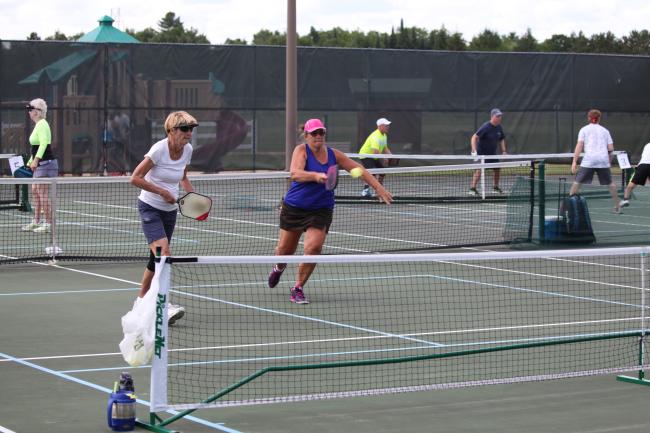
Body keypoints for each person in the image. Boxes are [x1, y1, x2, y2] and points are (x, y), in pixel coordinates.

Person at [268, 118, 393, 304]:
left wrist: (378, 187)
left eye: (321, 133)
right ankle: (278, 268)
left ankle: (298, 287)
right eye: (314, 133)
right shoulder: (301, 150)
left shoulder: (334, 155)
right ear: (307, 135)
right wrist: (316, 176)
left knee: (314, 248)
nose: (318, 136)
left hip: (321, 209)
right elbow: (295, 173)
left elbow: (358, 169)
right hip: (295, 207)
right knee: (284, 251)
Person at [130, 111, 199, 324]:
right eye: (185, 129)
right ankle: (163, 304)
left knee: (155, 259)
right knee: (164, 255)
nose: (189, 133)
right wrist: (162, 192)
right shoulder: (159, 150)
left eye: (191, 129)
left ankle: (140, 302)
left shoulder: (187, 150)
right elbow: (135, 178)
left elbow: (183, 177)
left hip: (170, 212)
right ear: (171, 130)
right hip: (150, 207)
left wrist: (194, 198)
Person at [570, 109, 623, 213]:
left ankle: (569, 206)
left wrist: (574, 162)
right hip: (603, 160)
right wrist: (608, 162)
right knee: (610, 183)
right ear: (599, 118)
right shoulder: (605, 131)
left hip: (589, 160)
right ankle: (618, 206)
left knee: (577, 182)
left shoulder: (584, 129)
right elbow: (611, 149)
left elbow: (579, 145)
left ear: (589, 118)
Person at [21, 98, 59, 233]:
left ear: (38, 112)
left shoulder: (42, 124)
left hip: (46, 164)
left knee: (42, 193)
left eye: (31, 109)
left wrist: (36, 160)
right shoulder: (39, 125)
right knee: (35, 192)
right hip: (41, 164)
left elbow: (44, 144)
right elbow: (36, 147)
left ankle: (48, 224)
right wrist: (30, 162)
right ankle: (36, 221)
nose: (29, 112)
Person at [468, 108, 508, 195]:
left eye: (500, 116)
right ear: (492, 117)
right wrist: (474, 150)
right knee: (479, 171)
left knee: (497, 169)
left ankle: (495, 187)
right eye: (497, 116)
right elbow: (474, 137)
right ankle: (472, 188)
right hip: (482, 154)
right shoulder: (485, 127)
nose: (499, 118)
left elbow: (501, 139)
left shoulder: (499, 127)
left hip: (492, 154)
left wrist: (504, 150)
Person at [358, 118, 393, 197]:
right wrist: (385, 158)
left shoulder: (384, 136)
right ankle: (365, 191)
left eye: (388, 125)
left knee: (382, 172)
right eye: (386, 125)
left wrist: (392, 157)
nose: (388, 127)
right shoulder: (375, 136)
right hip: (366, 155)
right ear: (380, 126)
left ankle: (379, 189)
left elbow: (385, 148)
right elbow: (375, 151)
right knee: (372, 173)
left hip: (374, 156)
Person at [619, 142, 650, 208]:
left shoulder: (647, 145)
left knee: (631, 185)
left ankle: (625, 200)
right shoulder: (647, 145)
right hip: (643, 165)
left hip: (643, 166)